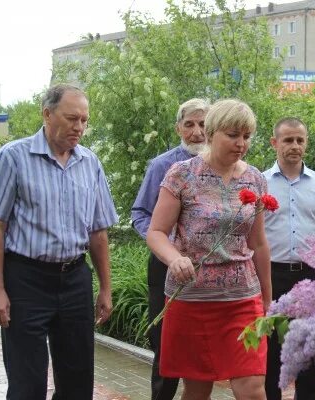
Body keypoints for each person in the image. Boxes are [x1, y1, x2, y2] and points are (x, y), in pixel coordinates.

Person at [0, 84, 118, 400]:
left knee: (77, 382)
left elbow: (98, 232)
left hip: (74, 280)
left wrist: (106, 289)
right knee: (27, 383)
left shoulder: (90, 162)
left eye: (84, 120)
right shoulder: (13, 157)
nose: (79, 127)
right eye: (71, 118)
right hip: (26, 279)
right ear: (47, 114)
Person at [146, 99, 271, 400]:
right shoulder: (181, 174)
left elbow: (258, 243)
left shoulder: (255, 178)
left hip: (242, 300)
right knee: (197, 390)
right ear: (212, 133)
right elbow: (156, 232)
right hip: (192, 300)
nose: (241, 143)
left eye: (246, 136)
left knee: (252, 388)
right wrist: (174, 259)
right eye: (233, 135)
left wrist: (268, 300)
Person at [263, 117, 315, 400]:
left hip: (311, 278)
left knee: (310, 352)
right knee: (271, 351)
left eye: (300, 140)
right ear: (274, 143)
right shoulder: (258, 183)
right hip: (270, 275)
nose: (294, 146)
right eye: (288, 140)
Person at [131, 98, 209, 400]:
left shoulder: (224, 165)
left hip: (208, 269)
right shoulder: (164, 165)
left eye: (202, 123)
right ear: (178, 128)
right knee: (165, 344)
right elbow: (140, 213)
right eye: (189, 124)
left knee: (201, 349)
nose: (197, 131)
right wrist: (165, 241)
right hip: (166, 266)